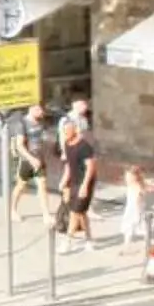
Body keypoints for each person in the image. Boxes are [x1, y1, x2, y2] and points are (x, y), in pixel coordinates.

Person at [56, 100, 98, 245]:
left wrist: (85, 186)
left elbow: (91, 166)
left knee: (75, 212)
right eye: (63, 132)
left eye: (66, 132)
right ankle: (89, 239)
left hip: (85, 181)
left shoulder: (84, 146)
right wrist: (64, 180)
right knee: (81, 212)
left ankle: (67, 241)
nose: (64, 134)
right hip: (74, 181)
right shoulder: (68, 144)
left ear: (74, 131)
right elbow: (69, 164)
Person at [8, 105, 51, 218]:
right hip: (27, 159)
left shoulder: (40, 122)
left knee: (42, 185)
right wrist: (31, 159)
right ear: (31, 110)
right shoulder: (22, 124)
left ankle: (46, 214)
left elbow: (42, 138)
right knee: (21, 185)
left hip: (39, 158)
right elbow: (19, 145)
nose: (41, 112)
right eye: (38, 109)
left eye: (41, 109)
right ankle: (13, 210)